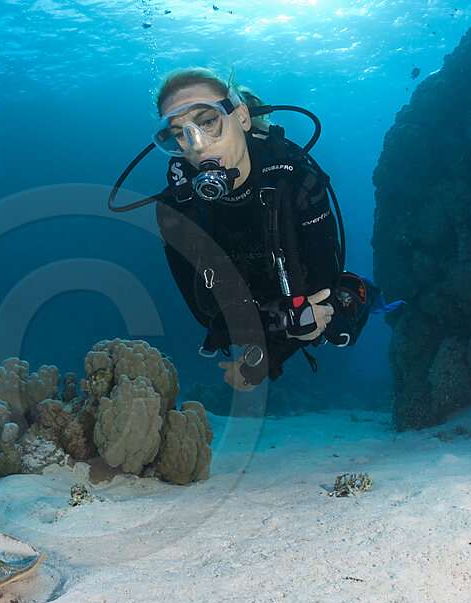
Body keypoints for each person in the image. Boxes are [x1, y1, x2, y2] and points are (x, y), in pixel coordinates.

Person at [146, 68, 374, 391]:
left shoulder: (299, 183)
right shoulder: (174, 212)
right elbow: (206, 313)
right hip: (253, 306)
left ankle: (366, 292)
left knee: (335, 325)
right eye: (180, 133)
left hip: (298, 293)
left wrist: (266, 362)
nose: (197, 145)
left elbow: (320, 291)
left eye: (208, 120)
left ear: (240, 116)